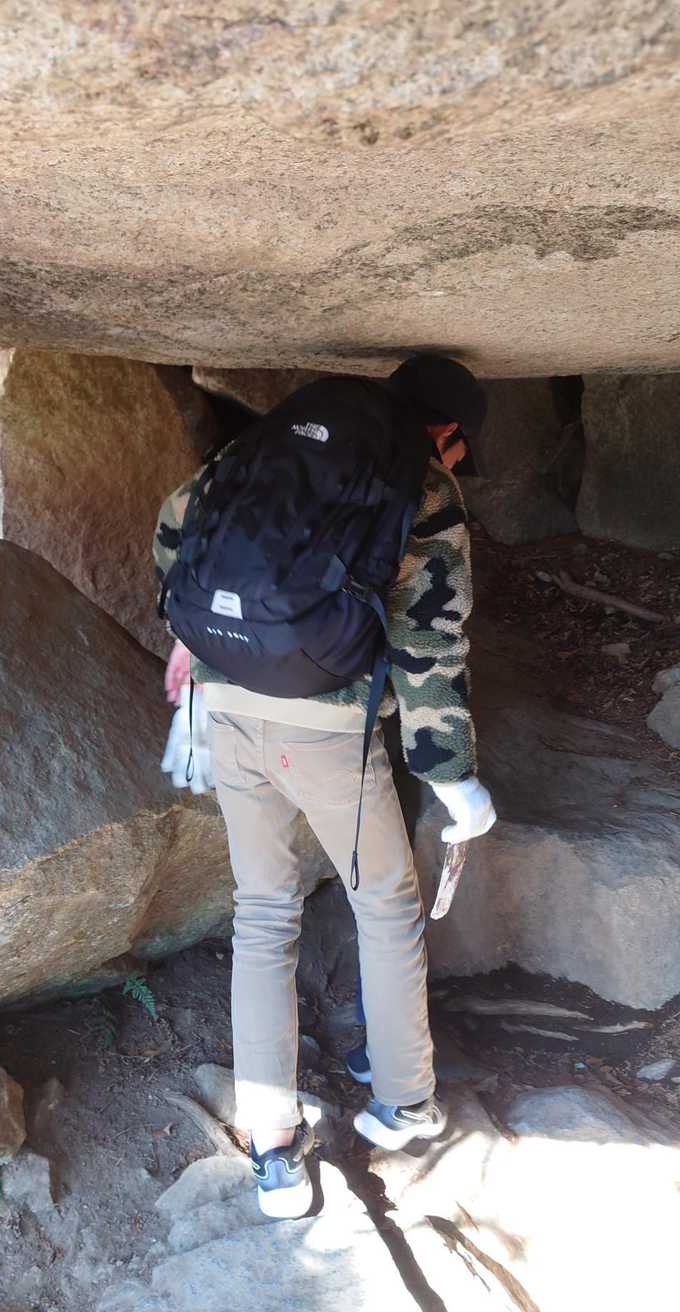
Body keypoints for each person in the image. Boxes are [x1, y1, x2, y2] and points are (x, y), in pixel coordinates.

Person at [153, 355, 497, 1219]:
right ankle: (405, 1097)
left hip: (226, 705)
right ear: (448, 433)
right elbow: (429, 642)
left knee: (263, 912)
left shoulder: (267, 447)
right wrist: (452, 775)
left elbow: (176, 520)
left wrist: (198, 633)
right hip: (327, 727)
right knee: (385, 903)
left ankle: (273, 1153)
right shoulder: (422, 485)